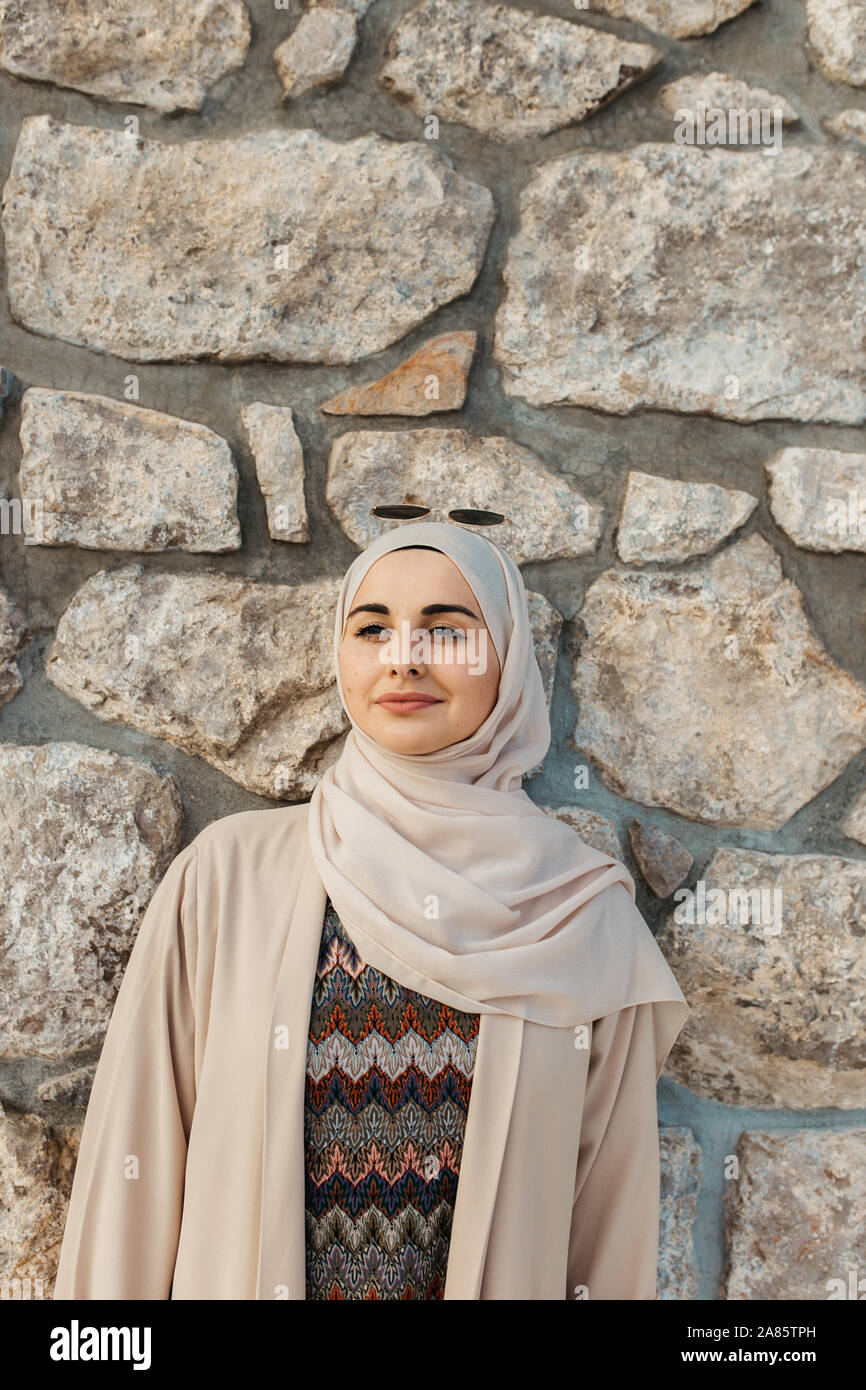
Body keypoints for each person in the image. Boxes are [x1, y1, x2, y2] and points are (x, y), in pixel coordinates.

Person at [54, 517, 689, 1301]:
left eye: (447, 630)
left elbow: (607, 1231)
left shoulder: (583, 921)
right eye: (373, 627)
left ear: (509, 658)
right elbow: (134, 1175)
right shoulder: (226, 879)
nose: (405, 656)